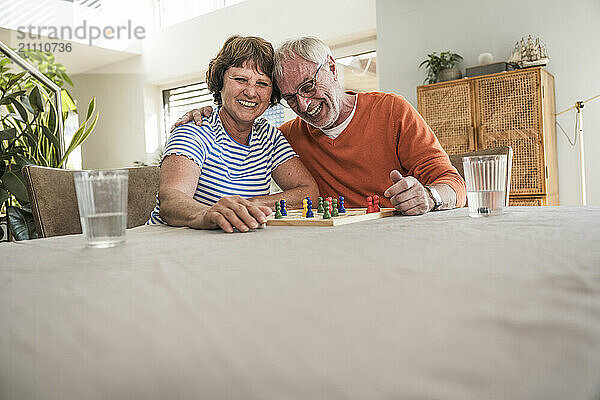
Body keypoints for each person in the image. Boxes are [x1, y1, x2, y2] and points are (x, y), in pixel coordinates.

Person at [172, 36, 466, 215]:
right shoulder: (287, 136)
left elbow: (454, 184)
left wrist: (430, 196)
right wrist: (209, 111)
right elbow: (238, 124)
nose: (303, 105)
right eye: (290, 97)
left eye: (309, 86)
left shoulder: (392, 110)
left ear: (332, 68)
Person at [149, 35, 318, 233]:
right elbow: (171, 200)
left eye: (262, 84)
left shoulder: (269, 137)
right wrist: (208, 214)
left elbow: (309, 193)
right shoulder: (194, 129)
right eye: (240, 79)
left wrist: (247, 206)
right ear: (220, 82)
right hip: (170, 244)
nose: (251, 92)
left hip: (233, 245)